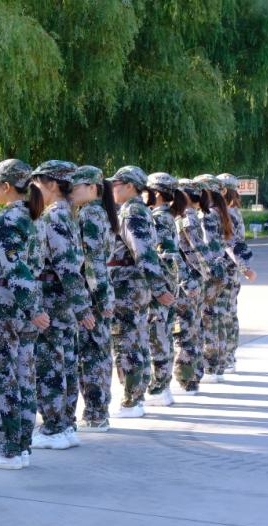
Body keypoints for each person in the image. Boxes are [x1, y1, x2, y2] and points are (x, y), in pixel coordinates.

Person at [0, 159, 49, 470]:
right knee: (23, 378)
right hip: (21, 309)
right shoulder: (32, 219)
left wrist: (32, 308)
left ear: (6, 186)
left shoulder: (8, 220)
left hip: (5, 309)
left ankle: (8, 450)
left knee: (3, 379)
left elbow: (13, 267)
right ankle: (21, 446)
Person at [29, 161, 94, 449]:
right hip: (64, 299)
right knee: (66, 360)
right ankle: (65, 424)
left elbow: (66, 266)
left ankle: (55, 427)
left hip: (54, 298)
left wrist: (81, 307)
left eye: (38, 184)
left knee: (51, 364)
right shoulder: (68, 215)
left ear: (52, 184)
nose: (34, 190)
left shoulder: (53, 217)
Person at [106, 166, 173, 418]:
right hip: (131, 283)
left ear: (130, 186)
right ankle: (136, 397)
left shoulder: (132, 211)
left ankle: (131, 401)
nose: (112, 188)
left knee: (127, 342)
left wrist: (158, 287)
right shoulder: (135, 210)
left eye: (117, 183)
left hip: (128, 285)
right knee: (136, 339)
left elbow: (143, 251)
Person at [71, 166, 117, 432]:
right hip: (98, 291)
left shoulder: (89, 214)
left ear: (93, 188)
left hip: (92, 294)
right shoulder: (99, 213)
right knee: (97, 354)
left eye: (76, 187)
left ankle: (96, 413)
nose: (72, 192)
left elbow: (93, 261)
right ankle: (98, 411)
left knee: (92, 356)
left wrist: (101, 298)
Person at [172, 178, 216, 395]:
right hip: (192, 280)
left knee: (186, 329)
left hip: (187, 281)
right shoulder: (188, 215)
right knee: (193, 327)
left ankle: (187, 378)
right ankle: (191, 376)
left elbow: (197, 251)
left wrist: (206, 273)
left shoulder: (186, 217)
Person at [144, 172, 181, 407]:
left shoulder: (159, 218)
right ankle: (162, 386)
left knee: (157, 336)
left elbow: (165, 255)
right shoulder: (167, 216)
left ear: (156, 193)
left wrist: (159, 287)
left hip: (161, 286)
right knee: (163, 334)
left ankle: (159, 388)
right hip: (168, 283)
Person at [194, 174, 235, 383]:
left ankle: (210, 367)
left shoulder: (207, 215)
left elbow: (207, 244)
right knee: (217, 317)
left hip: (211, 271)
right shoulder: (222, 212)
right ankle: (218, 366)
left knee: (208, 318)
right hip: (222, 270)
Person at [216, 173, 258, 373]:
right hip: (230, 270)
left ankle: (225, 357)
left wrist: (245, 268)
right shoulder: (233, 211)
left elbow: (232, 243)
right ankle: (229, 356)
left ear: (223, 190)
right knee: (229, 313)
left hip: (224, 269)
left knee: (224, 314)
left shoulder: (227, 212)